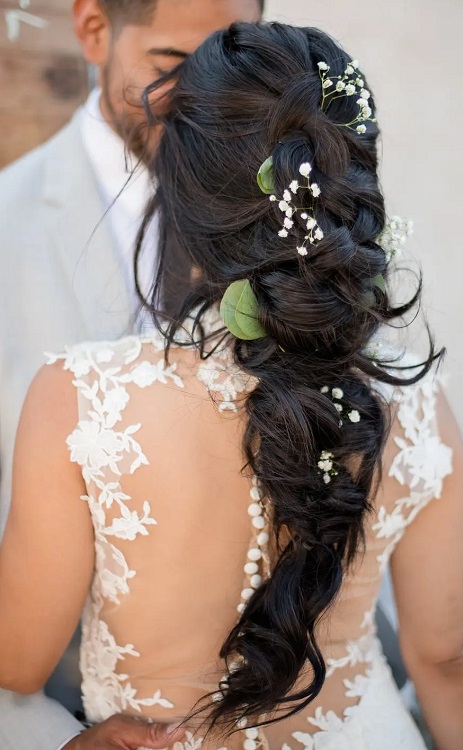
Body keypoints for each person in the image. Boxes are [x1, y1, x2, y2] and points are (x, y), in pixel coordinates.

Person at [0, 21, 463, 750]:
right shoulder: (417, 404)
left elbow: (17, 663)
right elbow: (446, 655)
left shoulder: (79, 399)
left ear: (184, 193)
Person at [0, 1, 263, 748]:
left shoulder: (307, 221)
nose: (210, 103)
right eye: (175, 67)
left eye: (234, 64)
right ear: (92, 31)